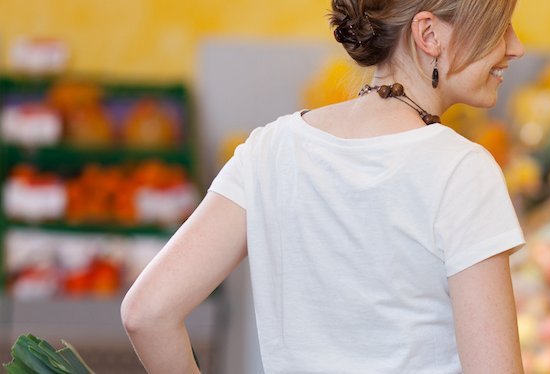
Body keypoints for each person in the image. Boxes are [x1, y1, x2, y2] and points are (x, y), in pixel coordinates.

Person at [121, 0, 526, 372]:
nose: (516, 46)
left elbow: (147, 314)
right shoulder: (463, 171)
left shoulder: (269, 150)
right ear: (429, 34)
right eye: (499, 26)